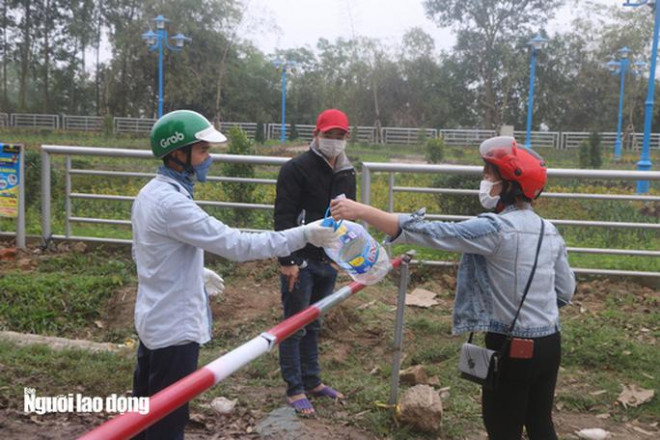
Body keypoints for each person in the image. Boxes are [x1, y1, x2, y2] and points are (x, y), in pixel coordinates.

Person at [330, 136, 575, 439]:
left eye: (489, 174)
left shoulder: (496, 229)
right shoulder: (549, 231)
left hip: (512, 346)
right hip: (551, 344)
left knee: (502, 428)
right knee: (540, 423)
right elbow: (565, 290)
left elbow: (433, 232)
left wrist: (362, 211)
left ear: (509, 184)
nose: (484, 180)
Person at [131, 109, 339, 439]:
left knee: (142, 415)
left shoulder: (149, 194)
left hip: (152, 322)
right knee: (166, 422)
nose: (208, 158)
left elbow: (149, 253)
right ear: (177, 153)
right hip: (174, 331)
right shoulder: (173, 204)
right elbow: (237, 244)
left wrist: (193, 271)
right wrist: (305, 234)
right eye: (202, 151)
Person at [273, 108, 356, 416]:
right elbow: (283, 215)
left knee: (315, 322)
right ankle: (294, 388)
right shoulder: (296, 168)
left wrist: (342, 257)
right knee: (294, 324)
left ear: (347, 138)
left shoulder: (347, 171)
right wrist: (288, 259)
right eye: (328, 135)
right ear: (316, 135)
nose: (334, 141)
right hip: (301, 260)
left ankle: (313, 382)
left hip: (328, 260)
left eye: (339, 136)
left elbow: (348, 217)